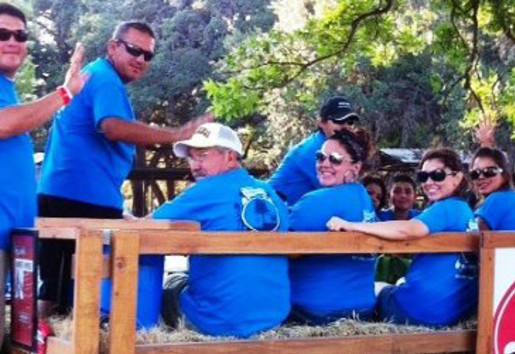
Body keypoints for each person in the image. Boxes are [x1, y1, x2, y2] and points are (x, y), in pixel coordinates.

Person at [37, 20, 210, 314]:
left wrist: (117, 209)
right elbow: (112, 128)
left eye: (148, 55)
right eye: (134, 50)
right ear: (112, 46)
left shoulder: (98, 76)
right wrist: (175, 135)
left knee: (61, 291)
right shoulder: (104, 78)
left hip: (77, 196)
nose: (141, 59)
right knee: (64, 294)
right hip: (77, 200)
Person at [0, 2, 90, 354]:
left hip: (11, 247)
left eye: (20, 35)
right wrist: (66, 93)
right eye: (4, 34)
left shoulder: (9, 89)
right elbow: (5, 125)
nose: (14, 42)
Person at [152, 123, 290, 337]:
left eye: (202, 155)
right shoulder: (271, 194)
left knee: (171, 283)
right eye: (191, 157)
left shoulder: (205, 190)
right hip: (273, 321)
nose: (195, 166)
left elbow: (148, 226)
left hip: (215, 323)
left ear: (230, 157)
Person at [327, 147, 477, 327]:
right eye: (423, 176)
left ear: (458, 177)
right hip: (450, 314)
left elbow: (409, 230)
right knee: (397, 283)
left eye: (437, 175)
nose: (429, 182)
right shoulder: (466, 212)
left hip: (417, 312)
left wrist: (351, 225)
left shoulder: (446, 208)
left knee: (375, 288)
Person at [289, 128, 377, 324]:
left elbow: (278, 241)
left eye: (335, 159)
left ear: (355, 168)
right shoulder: (363, 196)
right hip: (362, 310)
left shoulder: (318, 200)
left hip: (316, 312)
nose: (324, 164)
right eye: (320, 157)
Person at [268, 96, 360, 204]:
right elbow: (341, 194)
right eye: (338, 120)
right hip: (272, 213)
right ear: (321, 123)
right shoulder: (314, 152)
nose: (345, 126)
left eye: (350, 122)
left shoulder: (332, 146)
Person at [470, 147, 515, 231]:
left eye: (489, 171)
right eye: (475, 173)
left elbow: (479, 237)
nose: (481, 177)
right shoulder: (514, 196)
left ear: (504, 175)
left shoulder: (498, 199)